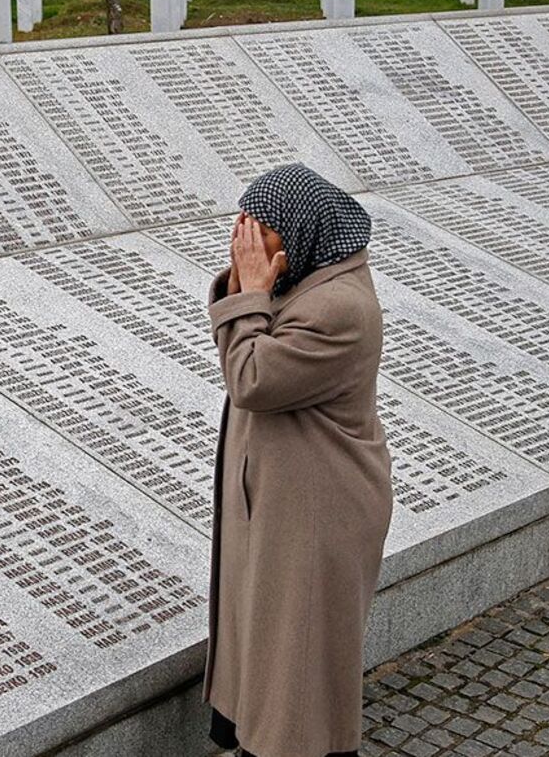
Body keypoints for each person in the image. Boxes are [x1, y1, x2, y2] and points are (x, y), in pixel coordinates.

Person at [201, 162, 393, 757]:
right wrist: (248, 287)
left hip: (319, 511)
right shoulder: (305, 280)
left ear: (303, 231)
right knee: (267, 649)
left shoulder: (337, 308)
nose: (244, 240)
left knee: (297, 668)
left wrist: (250, 291)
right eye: (241, 223)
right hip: (285, 502)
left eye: (260, 228)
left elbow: (253, 378)